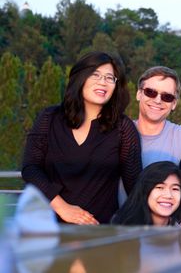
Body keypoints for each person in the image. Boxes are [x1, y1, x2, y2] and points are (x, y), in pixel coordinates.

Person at [22, 51, 142, 225]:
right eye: (95, 74)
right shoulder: (49, 117)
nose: (103, 82)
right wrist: (63, 208)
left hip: (97, 231)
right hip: (46, 228)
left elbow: (136, 186)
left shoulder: (123, 128)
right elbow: (30, 169)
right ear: (80, 77)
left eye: (110, 78)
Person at [112, 161, 181, 226]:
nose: (168, 195)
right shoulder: (122, 230)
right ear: (145, 190)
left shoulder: (180, 235)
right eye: (160, 187)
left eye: (175, 189)